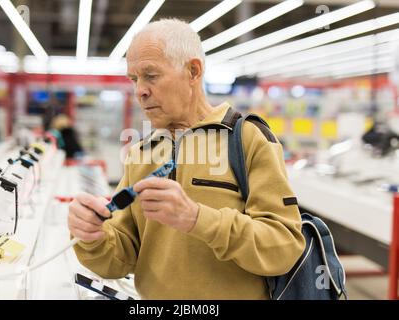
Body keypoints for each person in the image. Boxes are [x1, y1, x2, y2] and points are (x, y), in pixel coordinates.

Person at [68, 19, 305, 299]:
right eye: (134, 79)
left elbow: (283, 248)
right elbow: (120, 258)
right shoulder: (142, 153)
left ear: (193, 71)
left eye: (151, 76)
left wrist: (196, 219)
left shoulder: (248, 140)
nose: (140, 91)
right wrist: (91, 237)